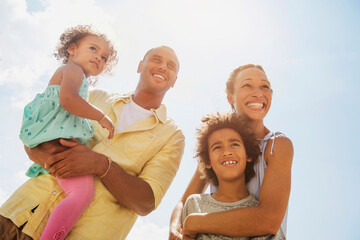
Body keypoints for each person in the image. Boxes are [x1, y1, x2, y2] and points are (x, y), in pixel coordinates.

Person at [0, 45, 185, 240]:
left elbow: (146, 202)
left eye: (171, 65)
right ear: (140, 66)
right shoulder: (95, 97)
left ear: (174, 81)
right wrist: (49, 156)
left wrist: (100, 164)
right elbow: (38, 132)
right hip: (20, 214)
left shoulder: (172, 135)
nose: (163, 67)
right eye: (156, 59)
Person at [169, 64, 293, 239]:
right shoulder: (219, 149)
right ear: (230, 97)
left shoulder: (277, 146)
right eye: (247, 85)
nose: (258, 93)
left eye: (265, 86)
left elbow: (269, 220)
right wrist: (175, 228)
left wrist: (195, 222)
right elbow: (184, 202)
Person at [17, 24, 117, 240]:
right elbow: (69, 100)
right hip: (55, 142)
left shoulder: (77, 77)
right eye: (93, 49)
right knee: (82, 195)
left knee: (80, 193)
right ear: (72, 49)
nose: (99, 57)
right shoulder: (73, 71)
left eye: (104, 57)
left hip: (50, 142)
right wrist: (101, 117)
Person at [182, 113, 285, 240]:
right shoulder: (194, 204)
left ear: (248, 155)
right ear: (208, 162)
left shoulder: (261, 220)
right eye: (217, 147)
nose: (227, 152)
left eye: (235, 144)